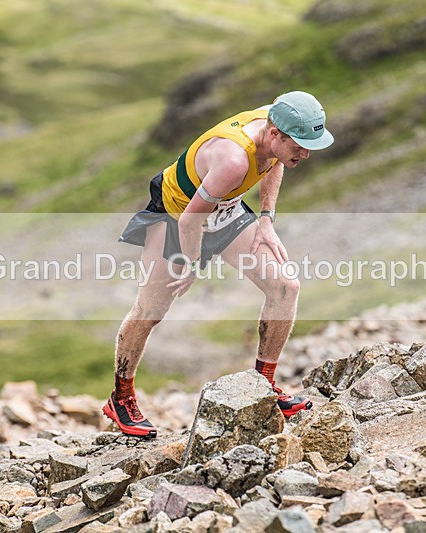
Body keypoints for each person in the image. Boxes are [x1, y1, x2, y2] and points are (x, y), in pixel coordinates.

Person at [102, 91, 334, 437]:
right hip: (177, 215)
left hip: (224, 210)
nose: (306, 153)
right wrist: (193, 264)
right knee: (150, 311)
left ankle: (263, 387)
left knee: (286, 287)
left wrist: (267, 217)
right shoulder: (233, 159)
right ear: (274, 134)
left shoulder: (275, 119)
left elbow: (274, 163)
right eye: (300, 145)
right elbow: (191, 222)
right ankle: (120, 400)